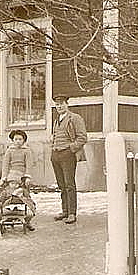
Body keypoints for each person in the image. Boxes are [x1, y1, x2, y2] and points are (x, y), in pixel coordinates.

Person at [0, 130, 36, 233]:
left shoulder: (27, 151)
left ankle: (27, 221)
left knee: (26, 203)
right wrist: (4, 177)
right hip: (11, 175)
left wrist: (27, 177)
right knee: (6, 201)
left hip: (22, 177)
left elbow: (29, 165)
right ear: (12, 140)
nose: (18, 141)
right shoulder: (9, 150)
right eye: (16, 139)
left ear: (24, 140)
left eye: (20, 139)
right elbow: (5, 165)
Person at [50, 95, 86, 224]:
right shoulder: (56, 120)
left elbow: (82, 137)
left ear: (67, 104)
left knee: (69, 184)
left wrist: (71, 149)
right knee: (61, 185)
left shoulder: (75, 118)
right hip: (56, 154)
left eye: (61, 104)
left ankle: (72, 213)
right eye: (57, 105)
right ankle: (64, 210)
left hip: (67, 154)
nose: (59, 107)